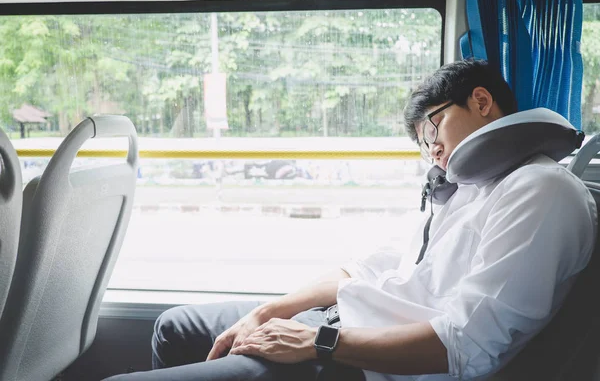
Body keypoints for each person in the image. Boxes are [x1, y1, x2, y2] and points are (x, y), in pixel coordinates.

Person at [103, 60, 597, 381]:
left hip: (367, 364)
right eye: (424, 146)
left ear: (482, 101)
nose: (433, 153)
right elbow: (361, 269)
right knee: (174, 325)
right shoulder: (467, 189)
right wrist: (272, 310)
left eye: (432, 129)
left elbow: (466, 347)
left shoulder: (539, 191)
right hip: (343, 326)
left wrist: (317, 341)